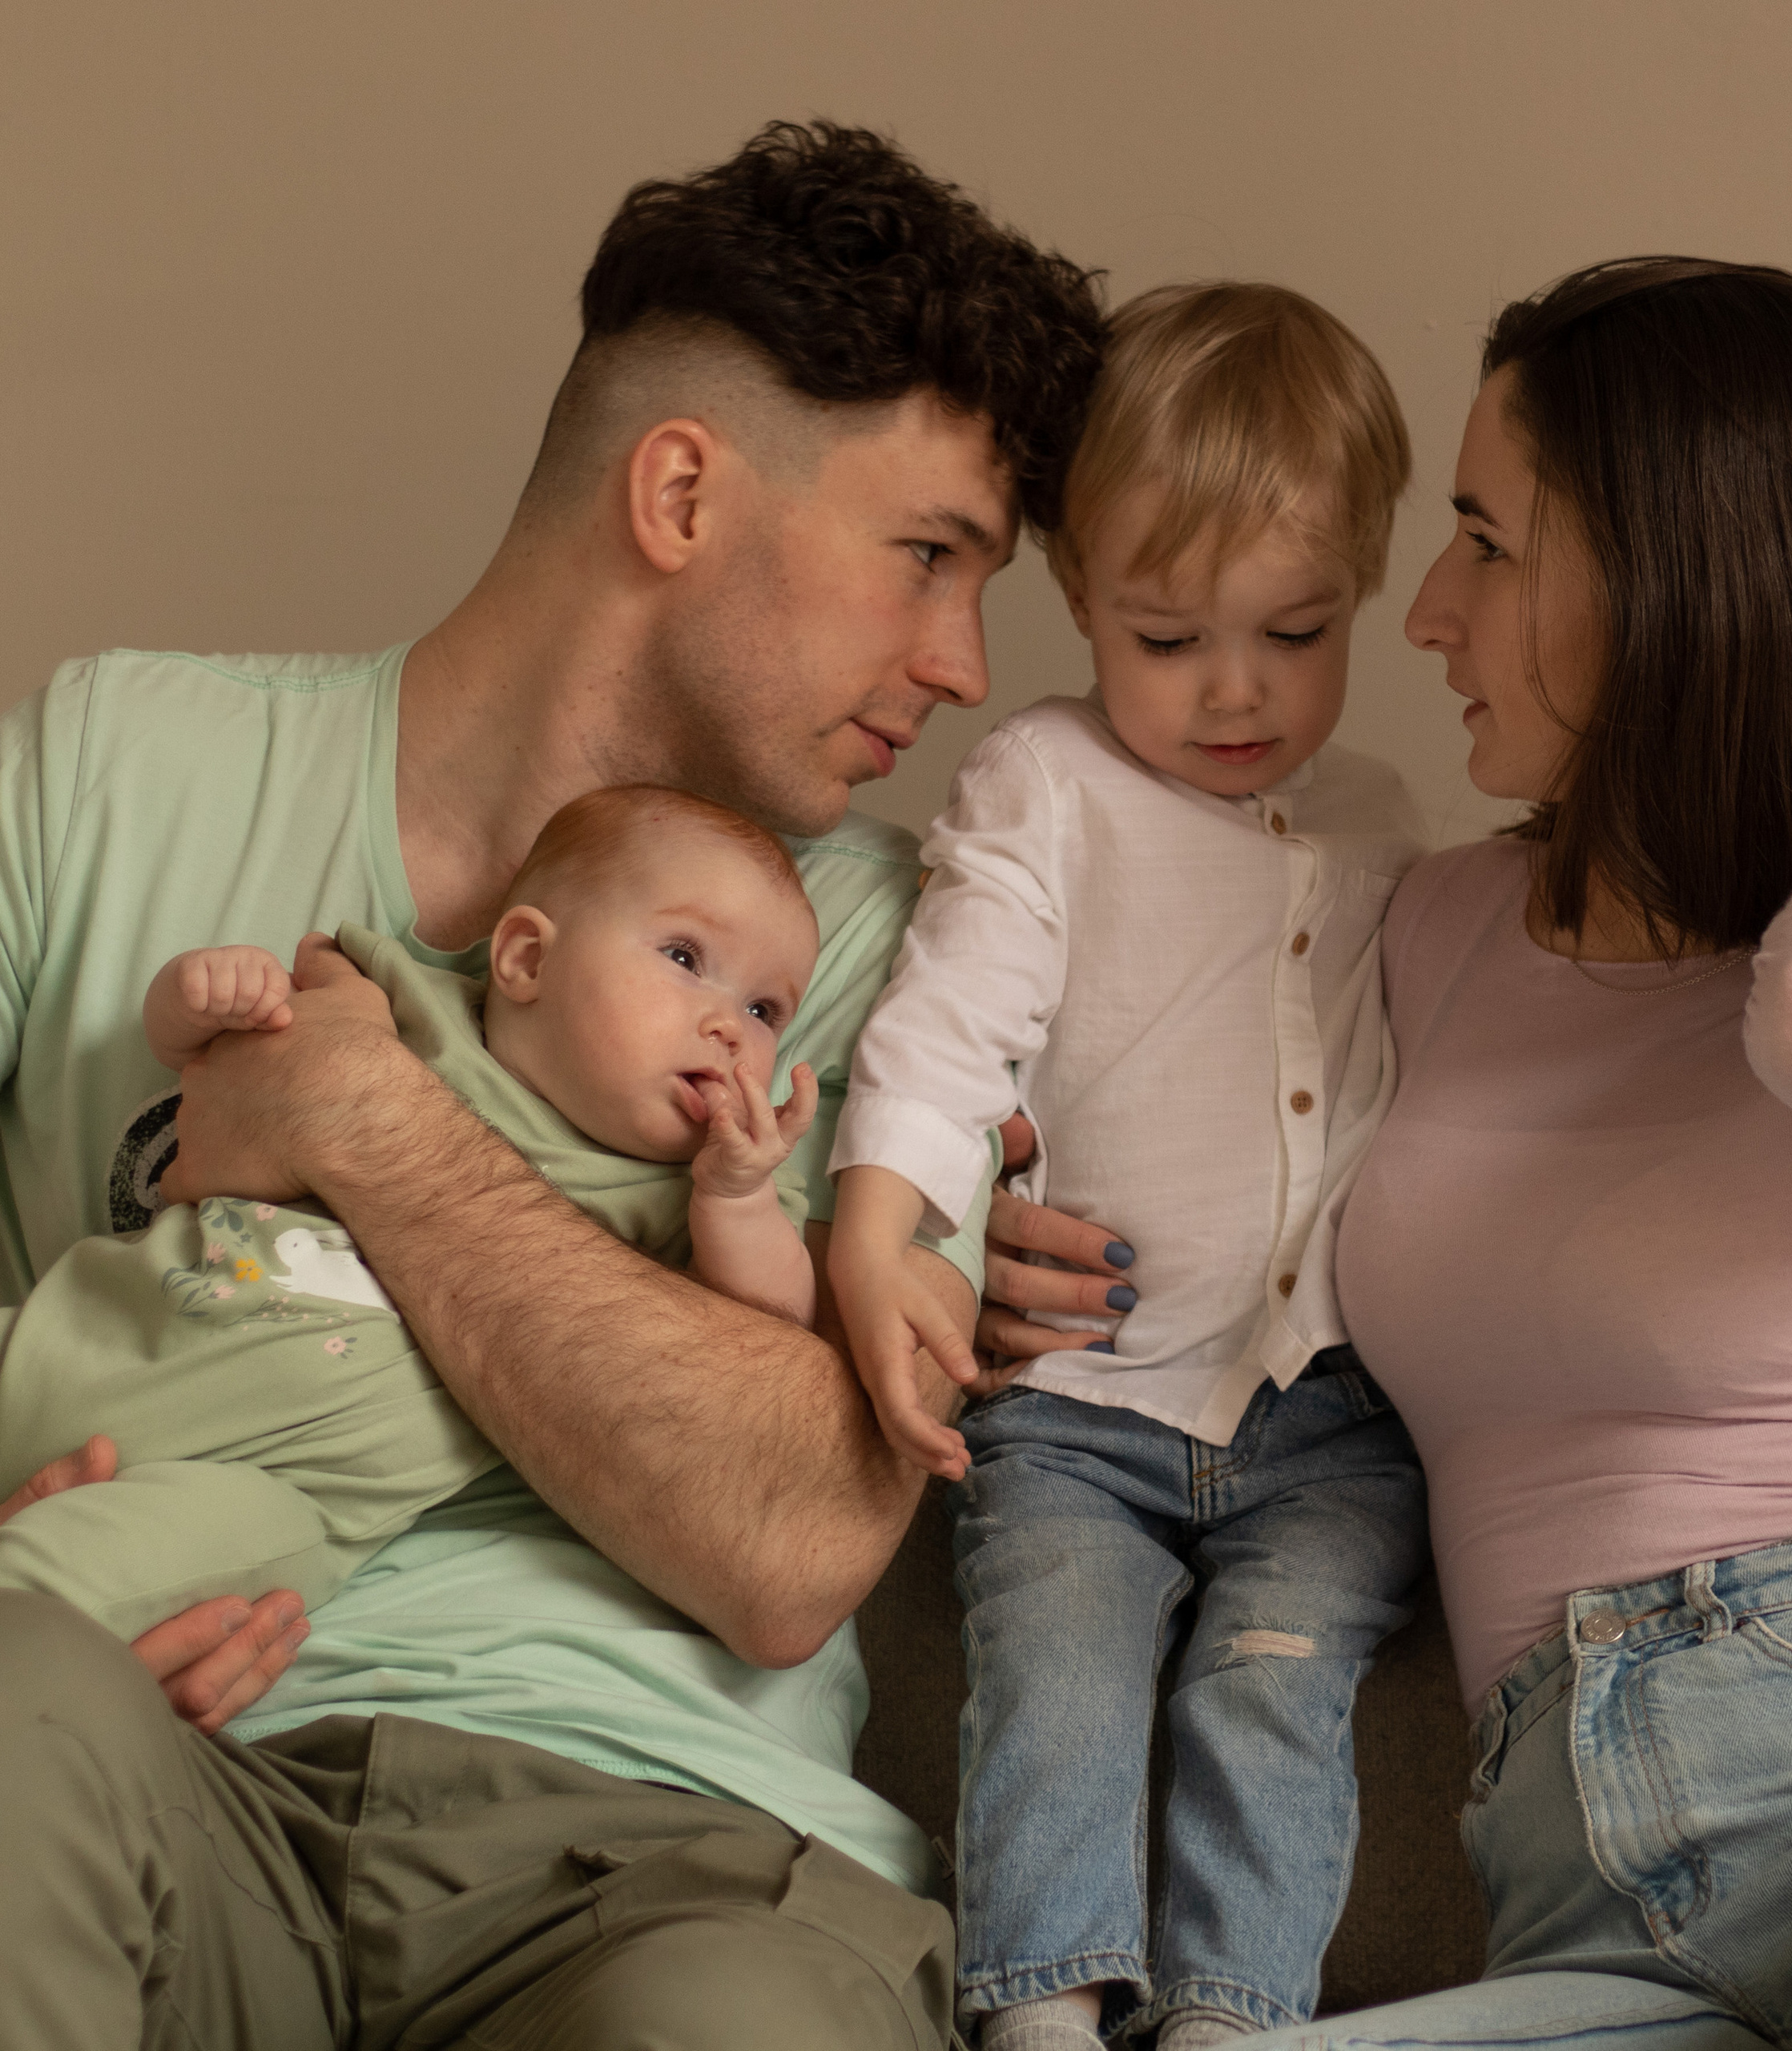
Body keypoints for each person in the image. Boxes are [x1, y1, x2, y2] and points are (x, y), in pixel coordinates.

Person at [0, 121, 1114, 2049]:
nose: (959, 665)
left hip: (666, 1854)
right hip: (146, 1765)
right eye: (926, 558)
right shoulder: (113, 767)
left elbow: (780, 1540)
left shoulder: (876, 951)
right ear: (680, 492)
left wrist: (373, 1127)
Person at [1238, 259, 1792, 2049]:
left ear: (1681, 580)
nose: (1424, 613)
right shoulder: (1424, 931)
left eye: (1485, 539)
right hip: (1597, 1920)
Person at [828, 283, 1429, 2049]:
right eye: (1165, 639)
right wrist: (881, 1235)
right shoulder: (1044, 784)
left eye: (1296, 630)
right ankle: (1040, 2002)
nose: (1234, 690)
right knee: (1057, 1669)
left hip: (1324, 1404)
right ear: (1076, 597)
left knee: (1278, 1684)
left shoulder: (1383, 818)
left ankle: (1235, 2014)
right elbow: (946, 1028)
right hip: (1082, 1397)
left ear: (1365, 587)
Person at [0, 787, 822, 1640]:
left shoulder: (701, 1188)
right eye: (686, 957)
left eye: (767, 1010)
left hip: (262, 1487)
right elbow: (212, 1076)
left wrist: (739, 1196)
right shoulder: (402, 1007)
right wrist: (195, 998)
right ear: (527, 960)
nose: (730, 1026)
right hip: (88, 1331)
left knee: (41, 1610)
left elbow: (770, 1331)